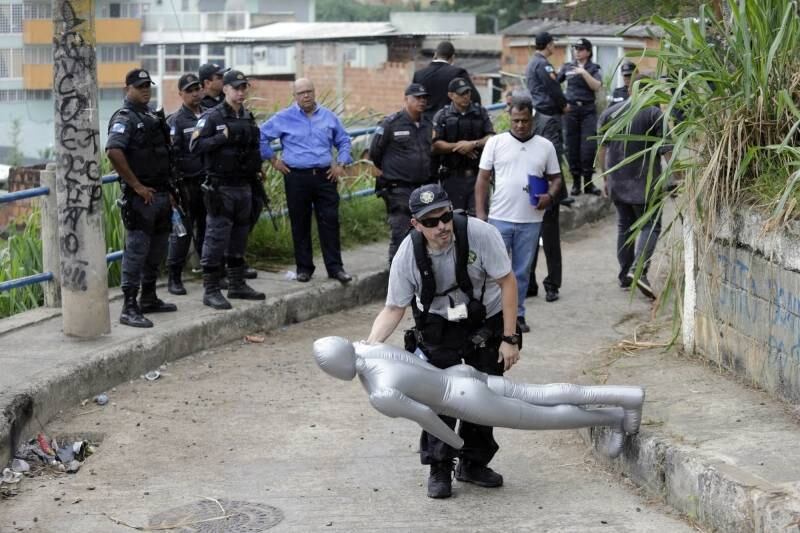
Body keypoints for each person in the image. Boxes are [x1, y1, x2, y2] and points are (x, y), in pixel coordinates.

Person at [365, 183, 521, 499]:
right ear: (416, 224)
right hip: (437, 324)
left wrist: (509, 338)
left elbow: (507, 282)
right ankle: (440, 467)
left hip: (483, 317)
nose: (442, 227)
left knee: (485, 393)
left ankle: (473, 463)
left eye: (445, 217)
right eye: (431, 222)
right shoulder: (407, 254)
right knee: (441, 398)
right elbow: (394, 308)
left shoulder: (480, 234)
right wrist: (369, 349)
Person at [313, 336, 644, 459]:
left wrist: (456, 445)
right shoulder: (371, 348)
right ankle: (625, 396)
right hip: (461, 375)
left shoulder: (380, 392)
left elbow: (427, 418)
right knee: (540, 393)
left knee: (542, 417)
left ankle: (613, 416)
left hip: (462, 398)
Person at [475, 97, 562, 333]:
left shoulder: (545, 146)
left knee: (521, 272)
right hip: (499, 218)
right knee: (494, 271)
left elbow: (556, 178)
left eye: (524, 121)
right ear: (509, 118)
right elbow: (482, 178)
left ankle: (518, 315)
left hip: (531, 221)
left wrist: (550, 197)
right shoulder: (496, 143)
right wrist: (481, 214)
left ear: (532, 118)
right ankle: (492, 316)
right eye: (516, 120)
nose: (520, 125)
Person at [260, 78, 354, 284]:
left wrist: (341, 163)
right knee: (300, 223)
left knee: (329, 222)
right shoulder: (283, 117)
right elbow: (260, 136)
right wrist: (273, 160)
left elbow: (344, 140)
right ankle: (304, 268)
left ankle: (335, 268)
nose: (306, 96)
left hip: (325, 176)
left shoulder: (329, 117)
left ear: (314, 92)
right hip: (296, 177)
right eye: (301, 92)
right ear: (294, 96)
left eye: (309, 91)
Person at [106, 68, 177, 328]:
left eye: (148, 85)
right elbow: (114, 151)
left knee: (157, 249)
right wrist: (136, 185)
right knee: (136, 252)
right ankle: (129, 306)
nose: (145, 89)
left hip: (160, 194)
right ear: (128, 89)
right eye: (140, 86)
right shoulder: (124, 117)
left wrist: (170, 191)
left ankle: (149, 297)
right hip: (141, 198)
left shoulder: (150, 116)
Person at [189, 70, 265, 309]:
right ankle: (210, 289)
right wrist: (221, 138)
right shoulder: (212, 117)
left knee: (240, 236)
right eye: (236, 88)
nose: (241, 92)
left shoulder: (247, 116)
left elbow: (252, 148)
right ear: (226, 89)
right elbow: (195, 145)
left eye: (244, 88)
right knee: (215, 238)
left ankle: (236, 284)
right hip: (221, 187)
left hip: (244, 185)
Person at [598, 75, 669, 300]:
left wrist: (605, 179)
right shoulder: (653, 114)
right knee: (651, 225)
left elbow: (603, 148)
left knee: (624, 227)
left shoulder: (610, 112)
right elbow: (668, 150)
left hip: (617, 181)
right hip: (644, 184)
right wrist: (681, 177)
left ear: (630, 90)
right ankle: (639, 270)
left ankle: (624, 275)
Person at [369, 83, 434, 264]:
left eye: (424, 98)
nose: (422, 101)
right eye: (417, 98)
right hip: (398, 189)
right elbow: (375, 152)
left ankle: (419, 277)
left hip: (422, 188)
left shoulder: (428, 124)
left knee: (424, 234)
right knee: (401, 234)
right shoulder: (391, 123)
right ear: (406, 99)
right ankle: (396, 281)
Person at [166, 73, 205, 295]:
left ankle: (212, 274)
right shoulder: (176, 121)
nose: (195, 93)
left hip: (207, 183)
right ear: (181, 94)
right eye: (189, 90)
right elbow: (170, 157)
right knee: (183, 234)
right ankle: (174, 278)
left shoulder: (209, 116)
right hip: (186, 186)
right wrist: (173, 190)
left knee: (208, 230)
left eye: (197, 88)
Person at [432, 77, 494, 215]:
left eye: (468, 92)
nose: (466, 96)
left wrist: (472, 144)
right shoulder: (442, 116)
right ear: (451, 95)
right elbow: (436, 144)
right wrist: (459, 147)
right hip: (452, 177)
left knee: (479, 219)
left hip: (477, 176)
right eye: (462, 94)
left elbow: (491, 137)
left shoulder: (481, 112)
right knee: (454, 219)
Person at [559, 38, 603, 196]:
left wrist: (584, 73)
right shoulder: (567, 67)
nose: (577, 51)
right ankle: (576, 183)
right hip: (571, 111)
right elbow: (555, 83)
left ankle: (589, 183)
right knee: (572, 147)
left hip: (587, 110)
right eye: (575, 48)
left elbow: (597, 86)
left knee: (588, 147)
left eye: (580, 48)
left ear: (588, 52)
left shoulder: (594, 68)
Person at [524, 32, 568, 165]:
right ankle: (556, 184)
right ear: (548, 45)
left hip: (538, 112)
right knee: (553, 153)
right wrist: (564, 105)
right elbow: (553, 88)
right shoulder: (543, 64)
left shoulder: (532, 62)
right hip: (549, 114)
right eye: (553, 43)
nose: (554, 46)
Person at [412, 40, 482, 123]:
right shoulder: (458, 73)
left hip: (425, 125)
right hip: (449, 125)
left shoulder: (419, 74)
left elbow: (413, 101)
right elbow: (475, 98)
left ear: (435, 55)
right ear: (453, 57)